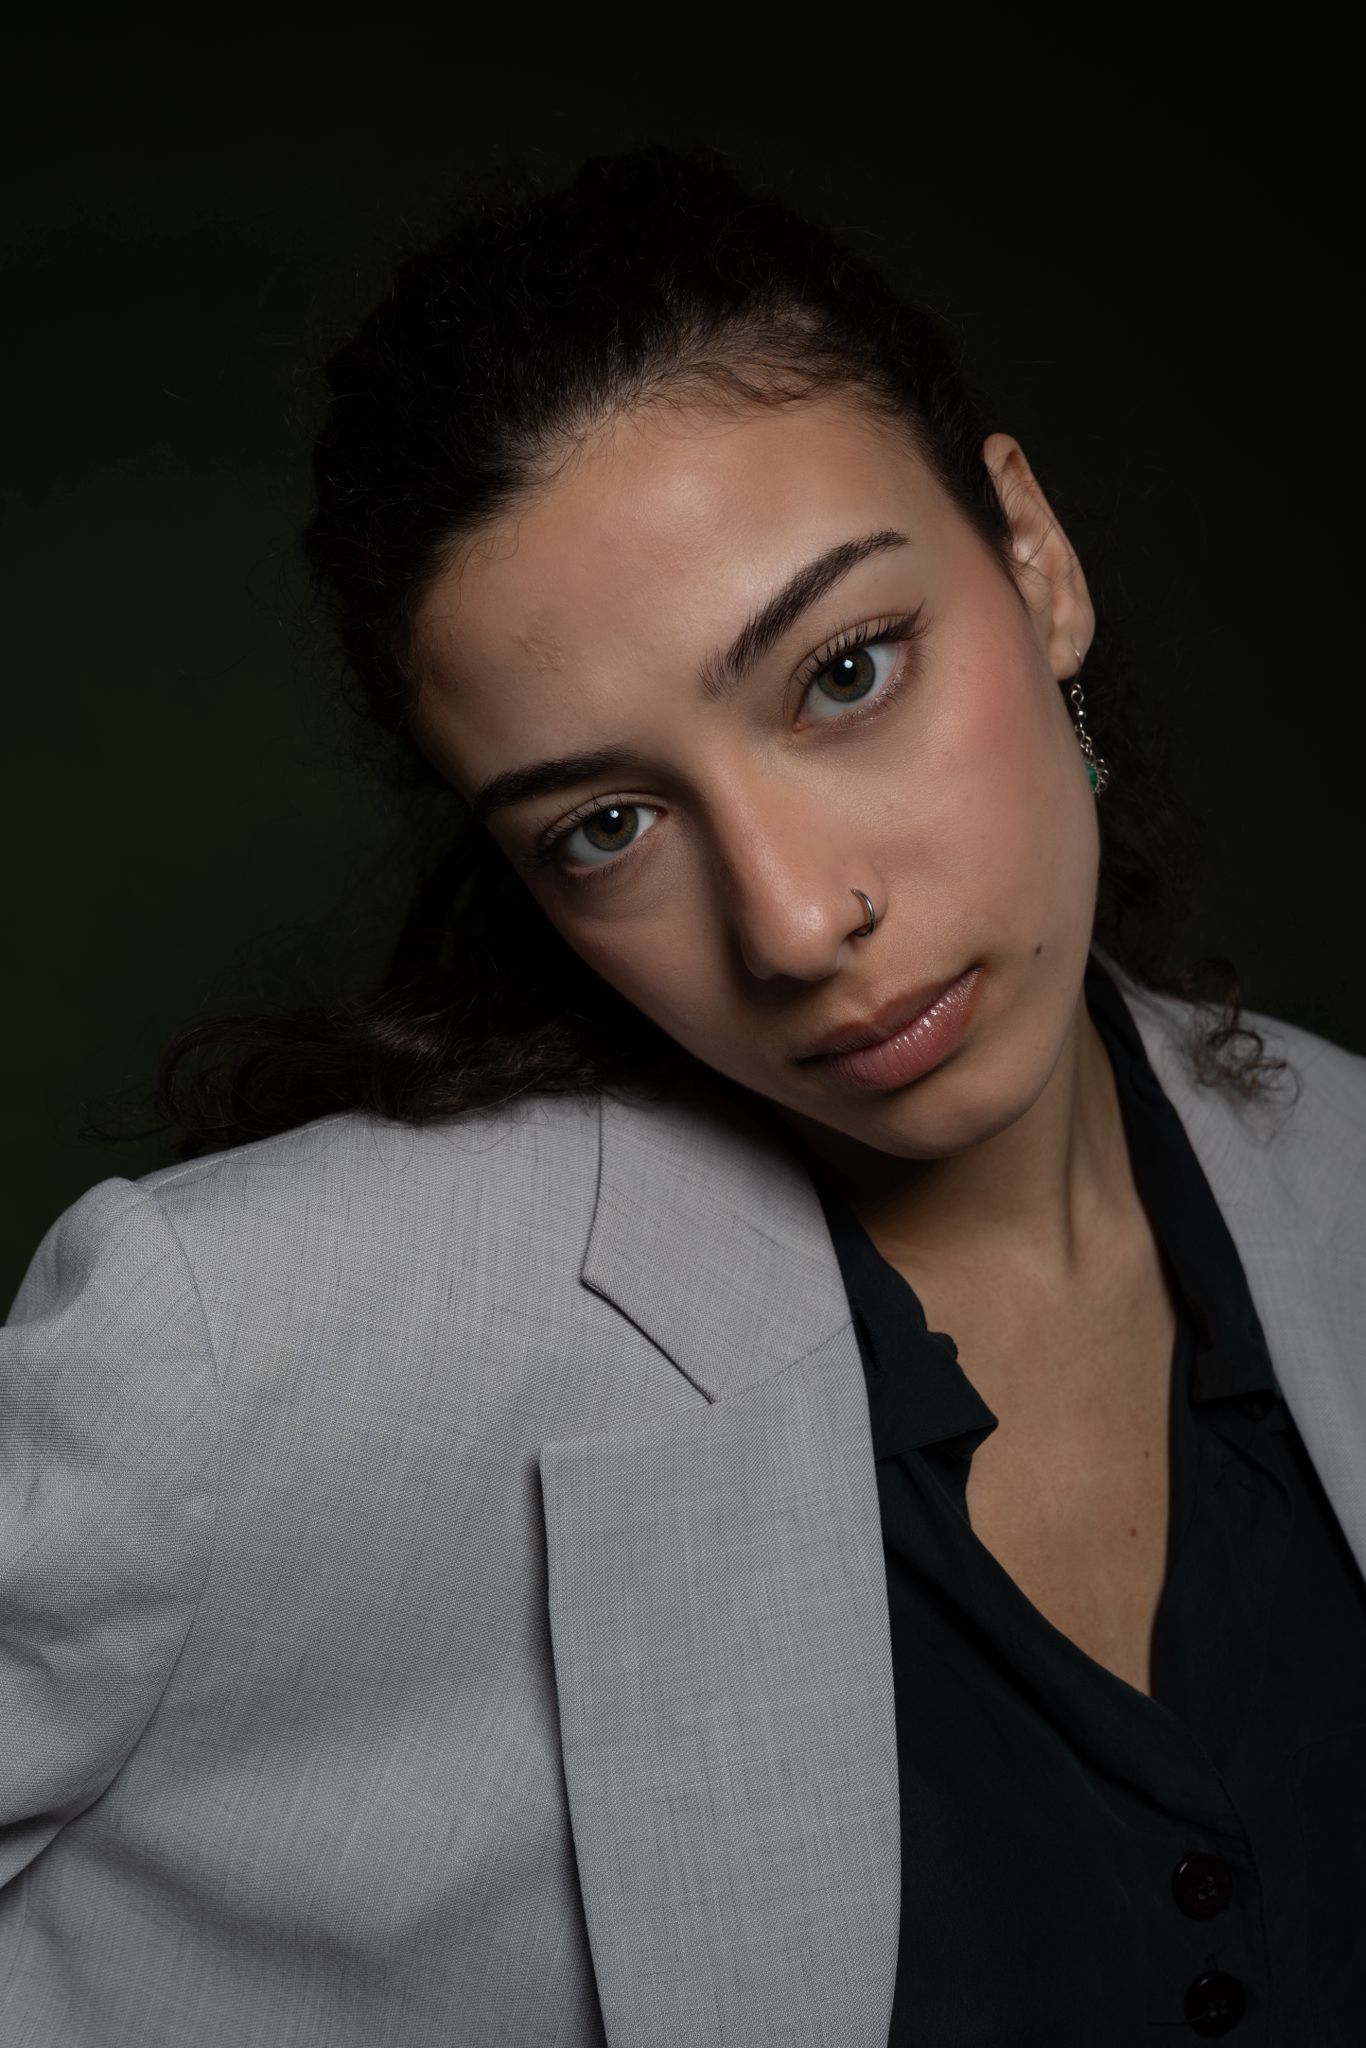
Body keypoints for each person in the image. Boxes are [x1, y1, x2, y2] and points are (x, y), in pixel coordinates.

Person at [2, 142, 1362, 2048]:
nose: (797, 924)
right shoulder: (248, 1342)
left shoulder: (1343, 1175)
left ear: (1033, 559)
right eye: (606, 826)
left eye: (845, 671)